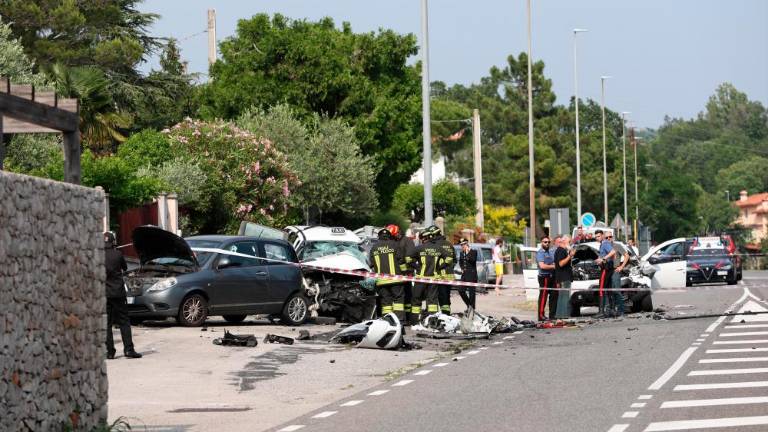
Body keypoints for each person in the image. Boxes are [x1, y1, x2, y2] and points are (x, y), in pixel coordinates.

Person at [104, 232, 142, 359]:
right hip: (118, 293)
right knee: (124, 322)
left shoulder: (98, 256)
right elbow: (125, 268)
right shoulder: (118, 254)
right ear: (113, 242)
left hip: (105, 294)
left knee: (107, 324)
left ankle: (110, 352)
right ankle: (128, 350)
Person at [408, 226, 446, 326]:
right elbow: (449, 259)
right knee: (432, 301)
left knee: (416, 300)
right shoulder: (439, 248)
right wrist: (439, 267)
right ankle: (432, 321)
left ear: (424, 238)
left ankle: (414, 322)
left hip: (421, 279)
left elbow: (408, 258)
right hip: (433, 280)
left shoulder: (419, 248)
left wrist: (416, 267)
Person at [370, 228, 407, 321]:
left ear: (379, 237)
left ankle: (388, 322)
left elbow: (371, 264)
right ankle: (400, 322)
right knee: (398, 301)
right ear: (389, 236)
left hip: (381, 281)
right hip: (396, 279)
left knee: (386, 303)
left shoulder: (374, 247)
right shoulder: (394, 245)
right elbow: (401, 261)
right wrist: (405, 273)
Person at [390, 224, 416, 323]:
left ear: (399, 232)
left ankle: (408, 317)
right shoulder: (393, 242)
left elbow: (409, 257)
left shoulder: (407, 241)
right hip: (396, 274)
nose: (394, 236)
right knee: (399, 296)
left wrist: (406, 269)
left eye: (395, 234)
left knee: (408, 295)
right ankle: (400, 317)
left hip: (406, 272)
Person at [433, 228, 456, 314]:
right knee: (447, 295)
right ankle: (447, 312)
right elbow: (454, 260)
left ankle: (445, 314)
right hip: (450, 275)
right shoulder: (449, 244)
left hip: (441, 275)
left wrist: (438, 268)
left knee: (442, 296)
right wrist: (450, 268)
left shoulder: (436, 245)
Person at [594, 230, 616, 318]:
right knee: (609, 290)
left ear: (602, 236)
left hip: (606, 269)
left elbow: (613, 252)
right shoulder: (602, 244)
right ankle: (611, 310)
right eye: (596, 237)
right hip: (608, 268)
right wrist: (599, 260)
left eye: (599, 236)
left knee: (601, 289)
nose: (597, 238)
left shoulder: (605, 243)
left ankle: (601, 312)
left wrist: (603, 259)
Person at [554, 235, 575, 319]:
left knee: (563, 296)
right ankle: (563, 315)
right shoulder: (561, 251)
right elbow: (561, 263)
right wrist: (569, 256)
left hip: (563, 277)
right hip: (564, 277)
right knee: (564, 297)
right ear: (564, 241)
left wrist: (570, 251)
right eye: (569, 242)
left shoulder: (562, 250)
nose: (570, 243)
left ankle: (560, 315)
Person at [609, 234, 629, 317]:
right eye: (606, 237)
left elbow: (627, 256)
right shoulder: (603, 246)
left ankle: (621, 311)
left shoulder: (617, 246)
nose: (608, 238)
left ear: (612, 237)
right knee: (610, 292)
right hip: (607, 272)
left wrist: (621, 266)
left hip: (615, 270)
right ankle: (612, 310)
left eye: (610, 237)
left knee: (617, 291)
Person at [536, 235, 555, 321]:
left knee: (552, 296)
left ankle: (551, 315)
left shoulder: (550, 252)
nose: (547, 244)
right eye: (545, 242)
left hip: (551, 276)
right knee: (543, 296)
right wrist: (553, 267)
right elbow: (542, 266)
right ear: (541, 243)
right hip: (544, 277)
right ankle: (541, 315)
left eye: (548, 242)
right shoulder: (540, 252)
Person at [457, 238, 478, 310]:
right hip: (464, 275)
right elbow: (460, 261)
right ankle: (469, 305)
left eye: (463, 245)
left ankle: (472, 309)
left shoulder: (473, 252)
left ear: (467, 244)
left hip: (472, 275)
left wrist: (467, 253)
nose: (462, 246)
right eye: (461, 245)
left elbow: (473, 260)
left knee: (472, 294)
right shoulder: (461, 253)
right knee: (460, 290)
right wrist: (462, 268)